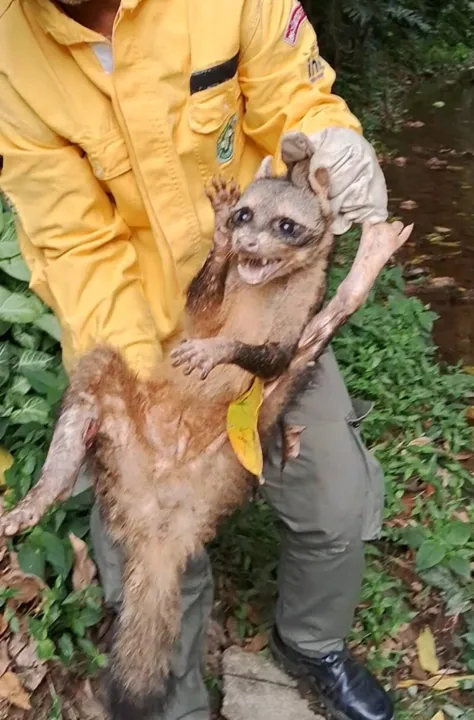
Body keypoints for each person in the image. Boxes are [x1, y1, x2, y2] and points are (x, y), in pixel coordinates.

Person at [0, 1, 394, 718]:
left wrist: (331, 142)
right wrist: (152, 392)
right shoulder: (13, 54)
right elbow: (72, 241)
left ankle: (309, 643)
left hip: (267, 322)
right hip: (144, 332)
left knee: (333, 500)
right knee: (150, 546)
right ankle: (171, 702)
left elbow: (289, 88)